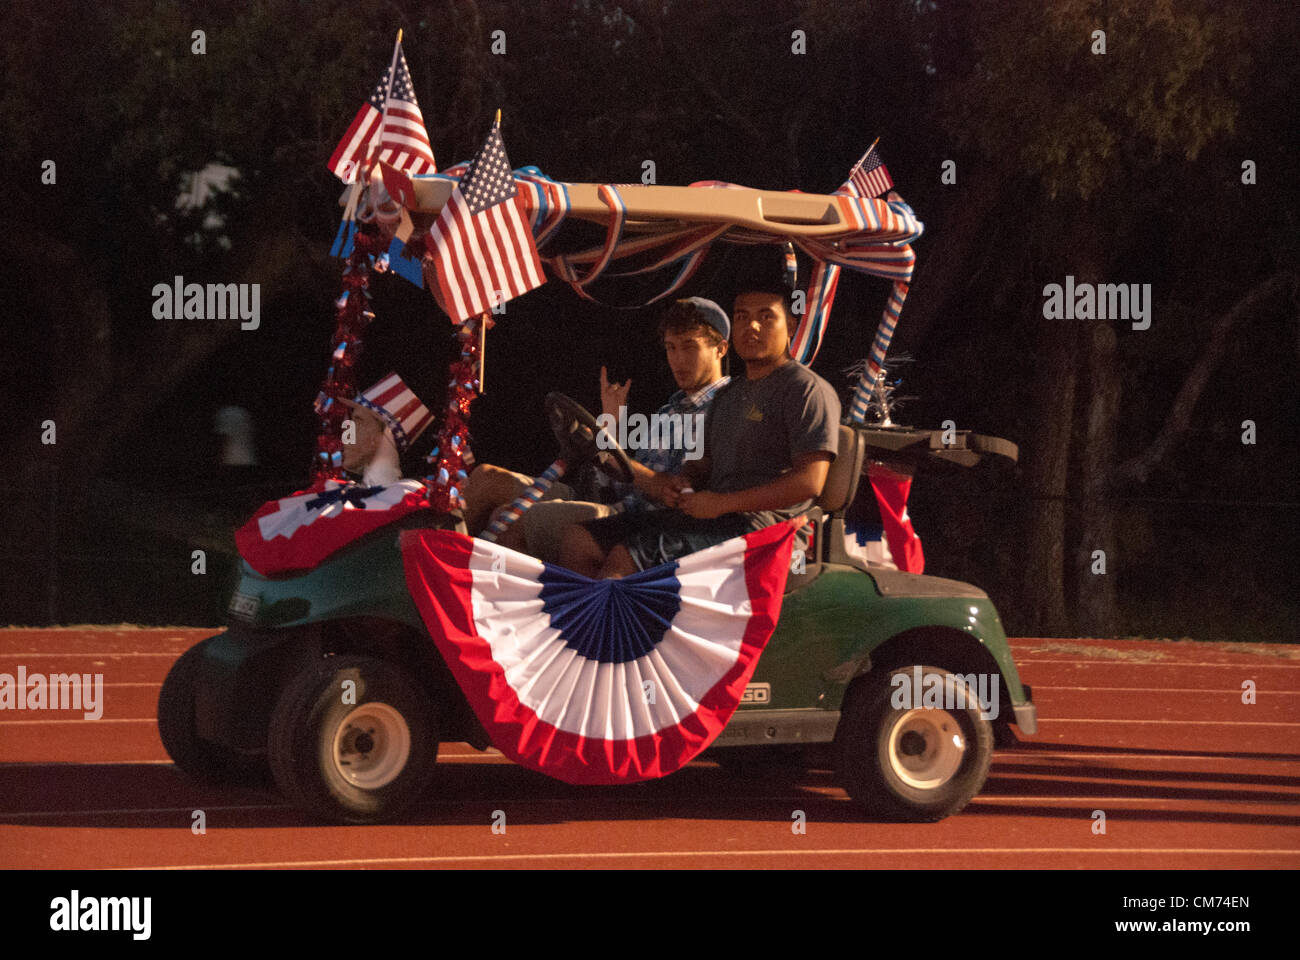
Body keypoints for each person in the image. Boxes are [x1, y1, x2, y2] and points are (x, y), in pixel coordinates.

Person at [558, 275, 841, 578]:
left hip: (766, 530)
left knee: (627, 557)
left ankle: (609, 624)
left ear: (792, 327)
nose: (752, 326)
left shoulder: (805, 390)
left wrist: (721, 503)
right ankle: (586, 621)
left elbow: (810, 482)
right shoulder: (729, 395)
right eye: (742, 316)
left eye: (766, 316)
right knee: (579, 540)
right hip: (715, 519)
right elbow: (702, 464)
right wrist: (684, 481)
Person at [461, 297, 732, 559]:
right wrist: (608, 429)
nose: (677, 358)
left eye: (689, 347)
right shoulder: (670, 409)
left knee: (510, 520)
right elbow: (616, 485)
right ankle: (434, 564)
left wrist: (604, 448)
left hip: (642, 522)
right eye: (671, 347)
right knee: (486, 477)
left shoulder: (725, 409)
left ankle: (501, 598)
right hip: (611, 503)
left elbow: (673, 491)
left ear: (720, 349)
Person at [338, 372, 435, 485]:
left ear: (387, 431)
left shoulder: (407, 499)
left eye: (358, 420)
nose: (347, 433)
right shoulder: (344, 494)